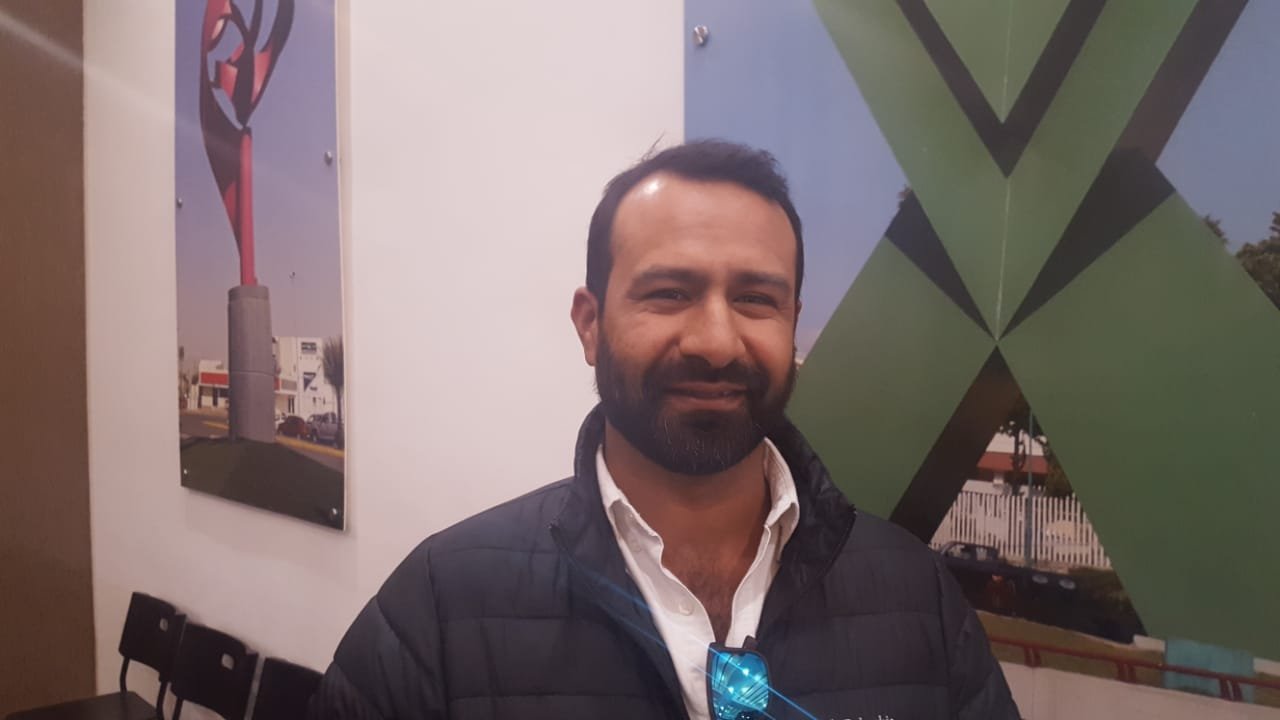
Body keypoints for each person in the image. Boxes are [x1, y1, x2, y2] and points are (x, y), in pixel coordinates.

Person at [310, 140, 1019, 720]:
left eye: (755, 299)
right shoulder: (441, 606)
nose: (716, 341)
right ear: (591, 324)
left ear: (793, 324)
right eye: (670, 293)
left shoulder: (918, 598)